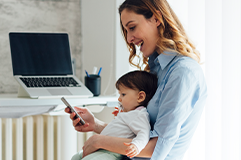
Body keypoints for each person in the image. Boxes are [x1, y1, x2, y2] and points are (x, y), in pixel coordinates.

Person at [65, 0, 208, 159]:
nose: (129, 38)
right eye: (126, 31)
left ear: (156, 19)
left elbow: (157, 148)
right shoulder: (157, 69)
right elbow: (139, 134)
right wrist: (96, 125)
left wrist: (100, 141)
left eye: (132, 27)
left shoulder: (182, 73)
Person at [71, 70, 157, 160]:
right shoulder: (131, 113)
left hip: (111, 152)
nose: (119, 99)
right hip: (103, 149)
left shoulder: (139, 115)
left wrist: (136, 146)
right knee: (75, 157)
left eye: (123, 94)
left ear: (140, 97)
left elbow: (144, 134)